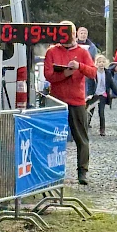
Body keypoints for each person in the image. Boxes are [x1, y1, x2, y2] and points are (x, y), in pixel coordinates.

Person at [44, 21, 97, 184]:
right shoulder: (52, 51)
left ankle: (82, 171)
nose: (66, 38)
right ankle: (50, 172)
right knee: (52, 138)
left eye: (69, 34)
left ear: (74, 34)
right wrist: (65, 73)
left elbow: (93, 72)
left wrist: (79, 66)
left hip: (76, 100)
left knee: (81, 137)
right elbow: (48, 75)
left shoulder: (82, 52)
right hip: (57, 101)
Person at [86, 54, 117, 136]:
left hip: (103, 94)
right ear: (96, 63)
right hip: (94, 94)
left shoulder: (107, 73)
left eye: (103, 62)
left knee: (101, 112)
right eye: (99, 62)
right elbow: (89, 84)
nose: (101, 64)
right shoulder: (93, 72)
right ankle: (86, 126)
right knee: (89, 111)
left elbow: (111, 84)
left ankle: (102, 130)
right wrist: (89, 94)